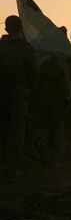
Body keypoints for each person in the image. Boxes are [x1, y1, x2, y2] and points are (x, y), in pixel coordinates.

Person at [0, 15, 37, 178]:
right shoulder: (25, 48)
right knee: (16, 132)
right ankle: (13, 168)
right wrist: (29, 90)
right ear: (20, 28)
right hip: (19, 94)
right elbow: (34, 72)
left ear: (6, 29)